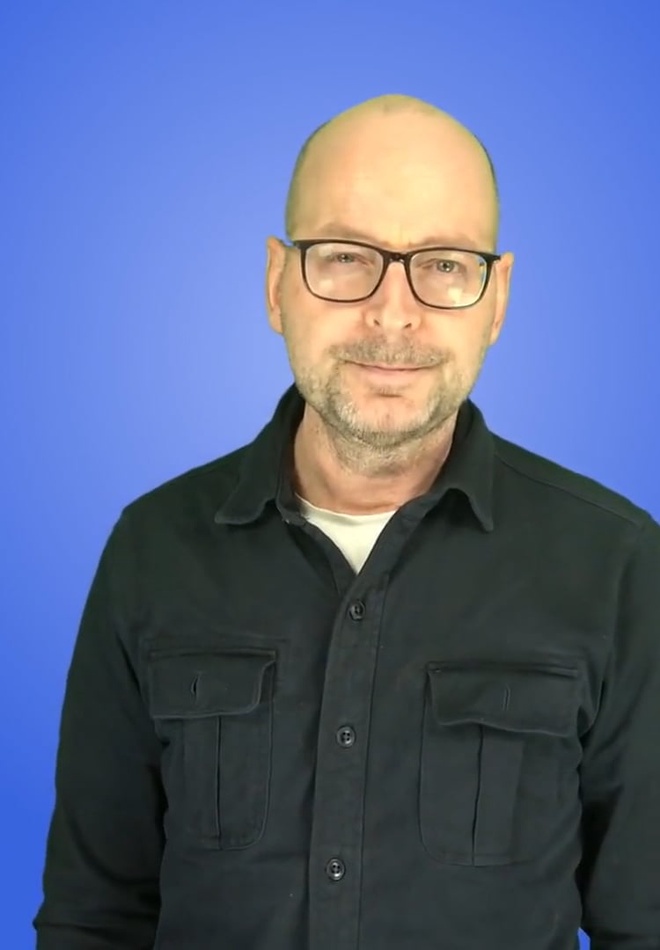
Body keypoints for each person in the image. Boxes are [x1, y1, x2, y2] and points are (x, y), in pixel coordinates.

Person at [34, 94, 660, 950]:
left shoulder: (617, 564)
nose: (393, 313)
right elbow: (93, 917)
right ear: (277, 284)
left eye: (444, 264)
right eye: (344, 257)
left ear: (497, 299)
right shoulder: (153, 549)